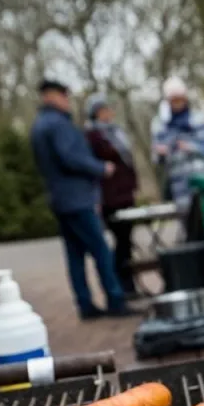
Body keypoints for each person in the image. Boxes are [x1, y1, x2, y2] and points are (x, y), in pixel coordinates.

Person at [29, 79, 130, 319]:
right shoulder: (58, 125)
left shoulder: (40, 125)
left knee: (75, 255)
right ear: (55, 96)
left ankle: (85, 305)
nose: (68, 102)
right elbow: (71, 157)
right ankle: (116, 299)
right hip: (77, 198)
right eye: (65, 96)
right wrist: (100, 168)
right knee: (100, 249)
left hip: (59, 198)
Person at [84, 94, 141, 298]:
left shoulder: (116, 132)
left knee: (126, 241)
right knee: (120, 241)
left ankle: (129, 285)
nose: (110, 113)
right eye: (105, 109)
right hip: (110, 198)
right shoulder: (93, 136)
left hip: (126, 195)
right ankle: (122, 285)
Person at [150, 76, 204, 213]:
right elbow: (156, 157)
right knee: (187, 226)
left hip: (202, 181)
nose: (177, 103)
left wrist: (190, 147)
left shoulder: (198, 119)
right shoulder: (160, 125)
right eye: (173, 100)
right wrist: (161, 152)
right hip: (179, 186)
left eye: (179, 99)